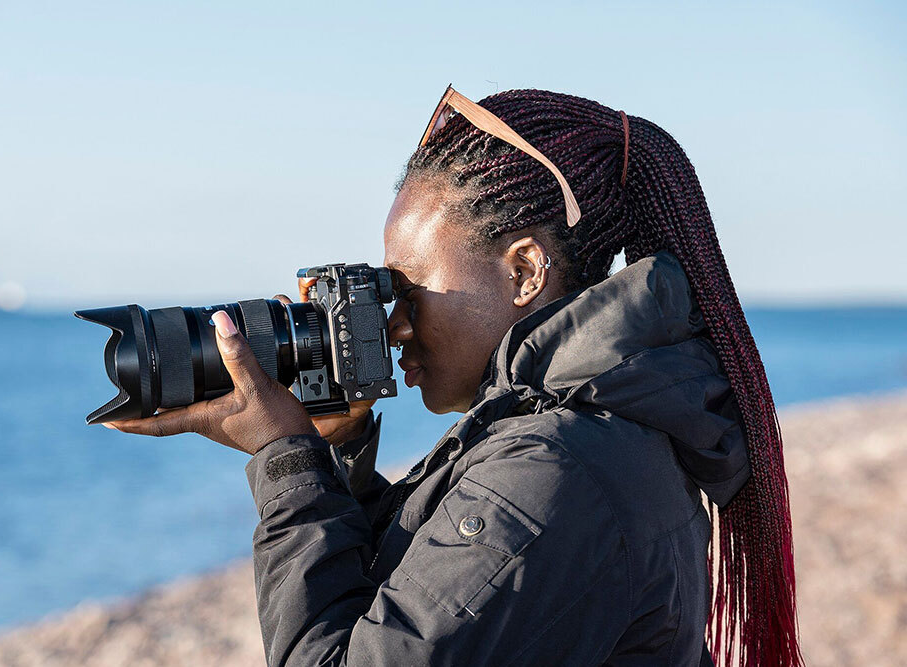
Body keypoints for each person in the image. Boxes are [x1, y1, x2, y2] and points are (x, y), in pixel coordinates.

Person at [106, 86, 802, 666]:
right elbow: (410, 604)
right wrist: (333, 457)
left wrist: (285, 467)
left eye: (410, 291)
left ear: (524, 269)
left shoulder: (561, 468)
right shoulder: (579, 427)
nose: (396, 325)